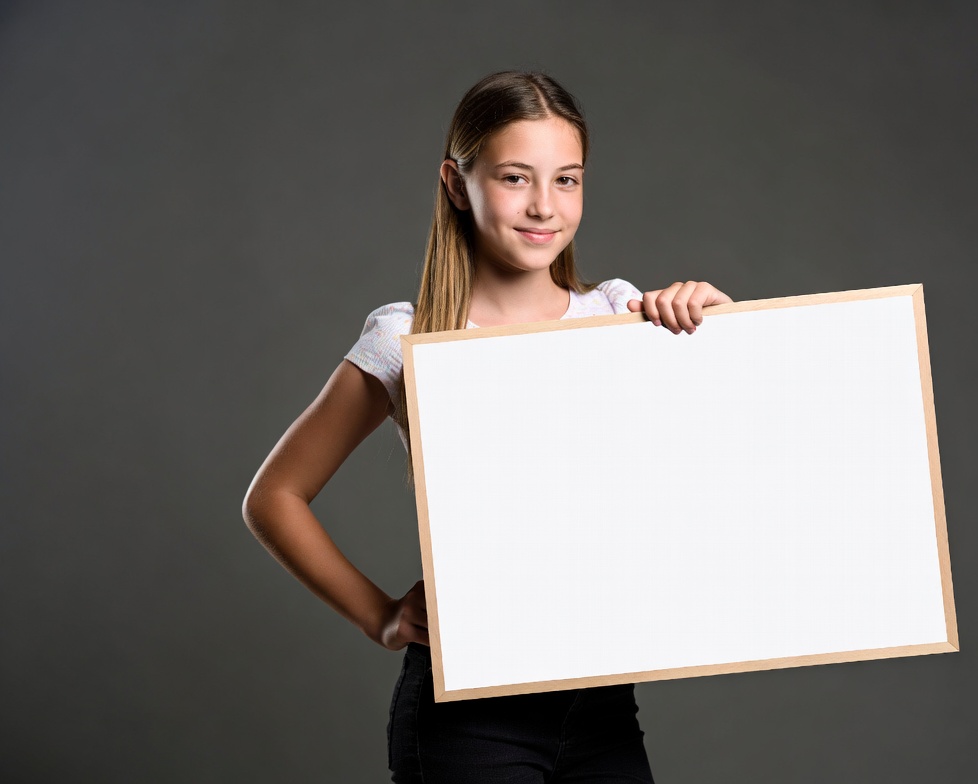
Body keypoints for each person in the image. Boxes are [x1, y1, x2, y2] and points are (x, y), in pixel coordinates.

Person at [242, 70, 732, 783]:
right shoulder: (406, 338)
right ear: (455, 181)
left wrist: (719, 323)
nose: (544, 206)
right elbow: (273, 497)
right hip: (469, 723)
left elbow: (723, 469)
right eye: (514, 177)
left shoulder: (620, 316)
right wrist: (380, 616)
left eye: (567, 180)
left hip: (602, 712)